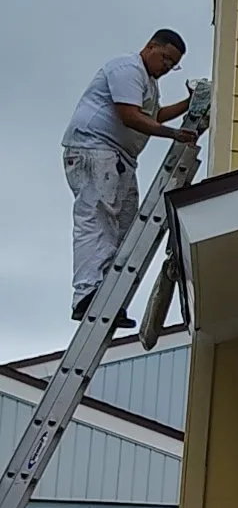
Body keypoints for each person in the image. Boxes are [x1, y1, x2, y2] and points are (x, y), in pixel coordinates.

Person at [62, 30, 198, 325]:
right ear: (151, 46)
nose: (166, 67)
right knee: (97, 219)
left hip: (119, 159)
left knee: (124, 228)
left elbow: (154, 115)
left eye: (172, 65)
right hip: (94, 149)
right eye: (165, 58)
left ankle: (107, 297)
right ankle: (86, 294)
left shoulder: (148, 83)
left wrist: (189, 103)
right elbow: (130, 116)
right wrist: (174, 135)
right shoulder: (127, 69)